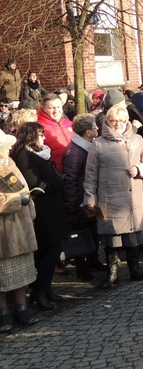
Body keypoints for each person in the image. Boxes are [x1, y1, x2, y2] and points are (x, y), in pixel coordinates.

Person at [83, 106, 143, 289]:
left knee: (132, 236)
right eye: (113, 120)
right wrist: (89, 199)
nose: (117, 124)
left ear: (127, 122)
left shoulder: (137, 140)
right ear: (107, 121)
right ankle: (112, 273)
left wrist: (140, 169)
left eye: (121, 120)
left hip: (132, 197)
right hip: (109, 197)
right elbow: (90, 174)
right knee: (112, 239)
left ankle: (135, 269)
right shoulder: (98, 144)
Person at [10, 122, 69, 310]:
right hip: (42, 209)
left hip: (53, 206)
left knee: (53, 249)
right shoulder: (24, 155)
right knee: (49, 249)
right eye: (40, 134)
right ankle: (39, 291)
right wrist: (57, 182)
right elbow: (34, 184)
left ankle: (45, 287)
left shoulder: (40, 152)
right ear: (31, 135)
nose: (43, 137)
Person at [0, 129, 39, 333]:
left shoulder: (10, 163)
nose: (8, 148)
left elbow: (22, 186)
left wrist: (28, 203)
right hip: (4, 231)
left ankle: (21, 308)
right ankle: (3, 312)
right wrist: (16, 201)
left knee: (22, 272)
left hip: (21, 227)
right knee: (3, 275)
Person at [62, 113, 103, 281]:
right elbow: (70, 180)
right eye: (94, 128)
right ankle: (82, 268)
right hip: (79, 200)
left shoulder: (86, 147)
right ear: (87, 132)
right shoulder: (74, 152)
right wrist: (73, 206)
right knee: (81, 234)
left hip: (87, 197)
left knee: (92, 231)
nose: (98, 129)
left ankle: (93, 261)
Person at [36, 94, 74, 173]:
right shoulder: (38, 127)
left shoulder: (69, 123)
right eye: (51, 108)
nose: (56, 110)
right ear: (43, 109)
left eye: (58, 107)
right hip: (56, 174)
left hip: (75, 171)